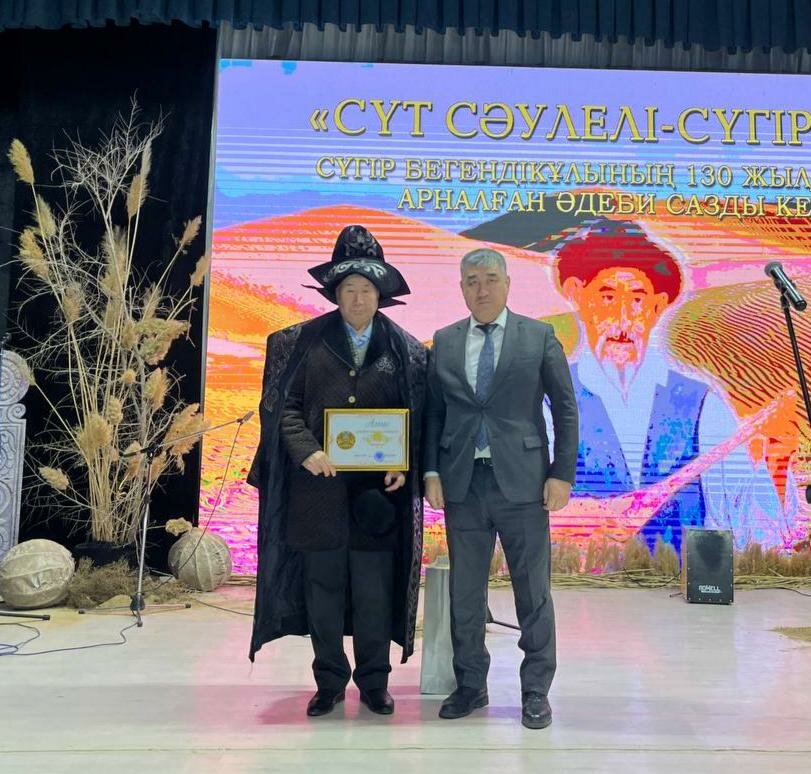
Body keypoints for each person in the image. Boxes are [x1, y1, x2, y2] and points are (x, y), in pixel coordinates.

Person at [247, 225, 427, 718]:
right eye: (349, 288)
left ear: (380, 294)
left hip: (377, 501)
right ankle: (328, 682)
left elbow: (417, 417)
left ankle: (375, 682)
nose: (358, 297)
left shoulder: (409, 351)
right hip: (316, 495)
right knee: (322, 593)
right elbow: (282, 409)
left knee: (374, 594)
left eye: (367, 288)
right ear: (335, 293)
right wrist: (306, 451)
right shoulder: (298, 343)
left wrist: (403, 464)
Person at [551, 218, 800, 551]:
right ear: (577, 295)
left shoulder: (701, 403)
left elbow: (749, 526)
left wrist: (778, 462)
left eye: (638, 300)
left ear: (657, 307)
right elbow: (519, 503)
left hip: (680, 579)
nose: (624, 319)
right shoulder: (549, 397)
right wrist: (592, 517)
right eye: (607, 297)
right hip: (578, 580)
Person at [423, 247, 579, 729]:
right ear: (461, 288)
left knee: (533, 592)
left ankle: (536, 692)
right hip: (463, 484)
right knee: (465, 594)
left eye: (490, 279)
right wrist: (430, 472)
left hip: (525, 485)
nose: (482, 289)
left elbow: (565, 408)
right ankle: (471, 685)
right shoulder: (445, 341)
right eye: (472, 281)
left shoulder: (538, 336)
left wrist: (561, 474)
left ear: (508, 283)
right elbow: (434, 413)